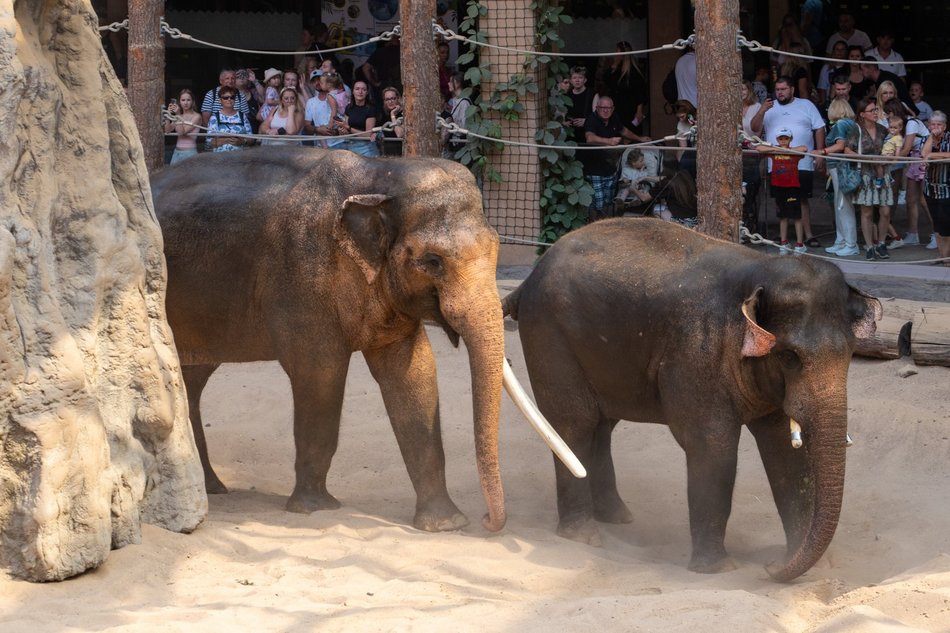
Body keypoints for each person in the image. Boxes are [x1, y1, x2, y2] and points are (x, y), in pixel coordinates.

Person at [750, 75, 827, 247]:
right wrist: (762, 110)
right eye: (777, 90)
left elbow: (819, 128)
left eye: (783, 89)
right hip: (776, 163)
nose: (780, 93)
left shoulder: (806, 105)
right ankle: (781, 234)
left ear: (792, 89)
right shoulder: (769, 107)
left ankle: (808, 234)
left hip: (802, 161)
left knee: (801, 198)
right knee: (780, 198)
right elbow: (755, 128)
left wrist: (820, 153)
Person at [581, 96, 649, 218]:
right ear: (597, 108)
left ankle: (607, 226)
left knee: (609, 202)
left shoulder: (614, 118)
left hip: (611, 168)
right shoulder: (591, 119)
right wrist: (609, 141)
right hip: (594, 170)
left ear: (613, 109)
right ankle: (595, 227)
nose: (605, 110)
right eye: (602, 107)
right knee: (598, 204)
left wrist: (640, 139)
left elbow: (624, 131)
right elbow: (589, 137)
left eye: (608, 108)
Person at [814, 99, 860, 256]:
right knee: (839, 204)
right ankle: (841, 240)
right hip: (839, 166)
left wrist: (822, 152)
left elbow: (840, 146)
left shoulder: (840, 124)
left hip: (840, 167)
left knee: (843, 205)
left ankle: (850, 243)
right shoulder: (851, 123)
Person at [851, 97, 894, 259]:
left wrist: (888, 157)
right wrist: (866, 158)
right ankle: (869, 246)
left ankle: (881, 243)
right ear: (862, 114)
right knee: (867, 212)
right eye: (872, 110)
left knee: (885, 210)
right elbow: (848, 151)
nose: (875, 113)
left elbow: (892, 147)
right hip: (866, 175)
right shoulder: (856, 130)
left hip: (883, 173)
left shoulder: (883, 129)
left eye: (876, 109)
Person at [757, 128, 809, 253]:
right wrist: (777, 149)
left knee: (796, 216)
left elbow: (804, 149)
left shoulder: (793, 151)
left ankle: (799, 244)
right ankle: (784, 243)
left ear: (790, 139)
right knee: (782, 216)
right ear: (777, 140)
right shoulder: (774, 150)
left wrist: (787, 150)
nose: (783, 141)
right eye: (781, 139)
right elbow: (759, 148)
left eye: (786, 138)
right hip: (778, 186)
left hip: (792, 187)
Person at [921, 111, 950, 263]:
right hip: (930, 188)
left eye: (939, 125)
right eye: (933, 124)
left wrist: (933, 156)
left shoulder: (949, 137)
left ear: (944, 126)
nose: (936, 127)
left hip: (947, 189)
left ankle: (947, 259)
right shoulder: (927, 139)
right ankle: (943, 256)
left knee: (947, 226)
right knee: (937, 225)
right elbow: (923, 153)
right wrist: (932, 138)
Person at [601, 41, 648, 133]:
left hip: (629, 108)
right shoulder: (615, 69)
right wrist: (613, 66)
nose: (616, 54)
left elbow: (640, 93)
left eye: (618, 52)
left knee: (630, 133)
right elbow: (606, 80)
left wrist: (639, 111)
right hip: (615, 107)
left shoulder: (634, 72)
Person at [740, 80, 763, 235]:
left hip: (751, 152)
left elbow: (757, 131)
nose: (740, 92)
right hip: (734, 152)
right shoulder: (729, 106)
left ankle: (750, 220)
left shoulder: (756, 107)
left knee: (750, 188)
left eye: (743, 89)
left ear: (749, 91)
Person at [339, 80, 380, 157]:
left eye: (363, 89)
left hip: (367, 149)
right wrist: (342, 130)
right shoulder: (349, 108)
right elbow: (347, 131)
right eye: (357, 89)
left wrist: (349, 128)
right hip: (351, 147)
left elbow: (368, 134)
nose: (360, 92)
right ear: (353, 92)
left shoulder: (370, 109)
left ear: (367, 93)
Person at [206, 87, 253, 153]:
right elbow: (209, 141)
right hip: (220, 158)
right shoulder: (214, 117)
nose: (229, 99)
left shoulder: (242, 116)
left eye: (232, 97)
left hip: (240, 158)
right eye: (225, 98)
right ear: (220, 100)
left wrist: (243, 141)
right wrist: (226, 140)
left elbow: (251, 138)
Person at [303, 69, 341, 149]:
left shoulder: (337, 96)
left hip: (340, 142)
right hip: (321, 147)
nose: (317, 83)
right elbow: (307, 126)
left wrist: (334, 131)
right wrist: (318, 130)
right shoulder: (310, 102)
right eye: (314, 81)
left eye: (319, 80)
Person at [164, 89, 201, 165]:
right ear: (179, 102)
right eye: (183, 100)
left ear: (192, 101)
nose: (186, 103)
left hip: (190, 153)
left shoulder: (197, 116)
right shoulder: (179, 116)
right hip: (176, 152)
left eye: (188, 100)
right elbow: (167, 130)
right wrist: (168, 114)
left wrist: (177, 114)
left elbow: (182, 132)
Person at [441, 73, 471, 159]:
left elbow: (465, 127)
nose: (448, 83)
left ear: (457, 84)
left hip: (460, 145)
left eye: (451, 81)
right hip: (455, 144)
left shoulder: (464, 102)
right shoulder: (456, 101)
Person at [564, 66, 594, 143]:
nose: (577, 80)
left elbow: (597, 116)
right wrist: (564, 122)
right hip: (570, 134)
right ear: (571, 80)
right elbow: (561, 114)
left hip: (586, 134)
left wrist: (586, 121)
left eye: (580, 77)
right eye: (574, 78)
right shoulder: (567, 95)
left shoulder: (592, 94)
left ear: (585, 80)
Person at [816, 41, 849, 106]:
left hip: (847, 100)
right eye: (837, 49)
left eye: (842, 49)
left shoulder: (849, 67)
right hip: (831, 101)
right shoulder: (826, 68)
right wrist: (824, 103)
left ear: (846, 52)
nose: (840, 51)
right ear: (833, 51)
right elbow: (822, 87)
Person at [378, 86, 405, 157]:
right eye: (387, 99)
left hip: (401, 153)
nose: (390, 102)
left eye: (393, 98)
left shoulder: (404, 114)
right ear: (384, 101)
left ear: (398, 98)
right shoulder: (384, 114)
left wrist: (393, 115)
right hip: (387, 153)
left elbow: (399, 134)